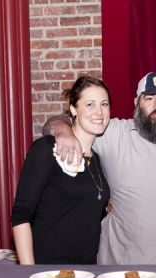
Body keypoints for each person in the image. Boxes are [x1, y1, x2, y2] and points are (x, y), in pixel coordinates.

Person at [45, 72, 156, 264]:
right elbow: (54, 124)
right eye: (149, 98)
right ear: (136, 103)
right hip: (121, 272)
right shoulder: (112, 134)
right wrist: (65, 133)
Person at [11, 76, 111, 264]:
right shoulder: (47, 148)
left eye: (104, 104)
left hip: (88, 274)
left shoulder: (97, 160)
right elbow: (21, 214)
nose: (99, 111)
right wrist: (28, 274)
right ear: (73, 109)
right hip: (48, 273)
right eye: (90, 104)